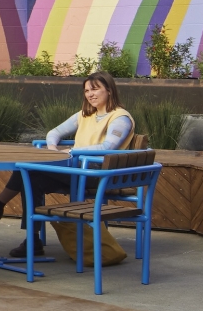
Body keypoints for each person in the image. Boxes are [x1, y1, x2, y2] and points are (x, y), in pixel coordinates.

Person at [15, 74, 133, 264]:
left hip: (98, 174)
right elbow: (54, 133)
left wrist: (71, 151)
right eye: (86, 90)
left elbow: (108, 147)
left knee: (28, 170)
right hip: (77, 170)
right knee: (28, 175)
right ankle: (33, 239)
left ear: (109, 90)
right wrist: (53, 149)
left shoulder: (120, 117)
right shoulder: (85, 115)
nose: (90, 94)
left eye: (95, 89)